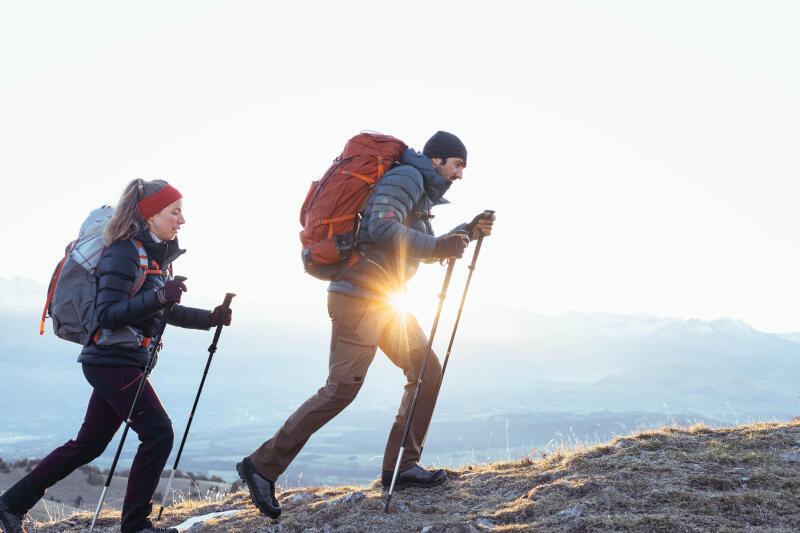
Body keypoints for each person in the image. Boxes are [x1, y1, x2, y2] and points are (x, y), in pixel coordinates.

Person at [236, 131, 495, 518]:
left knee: (426, 370)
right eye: (458, 165)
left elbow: (408, 243)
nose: (460, 174)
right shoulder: (407, 177)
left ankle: (403, 467)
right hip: (359, 298)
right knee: (341, 390)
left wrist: (464, 232)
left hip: (384, 300)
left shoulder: (419, 188)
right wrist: (438, 247)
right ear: (438, 159)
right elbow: (381, 228)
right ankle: (261, 466)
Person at [0, 179, 232, 533]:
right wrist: (159, 298)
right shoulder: (125, 251)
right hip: (111, 360)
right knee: (158, 433)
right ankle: (136, 524)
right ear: (152, 214)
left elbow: (162, 312)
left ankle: (9, 505)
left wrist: (210, 318)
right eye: (175, 211)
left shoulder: (157, 256)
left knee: (87, 445)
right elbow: (107, 314)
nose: (182, 220)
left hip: (123, 360)